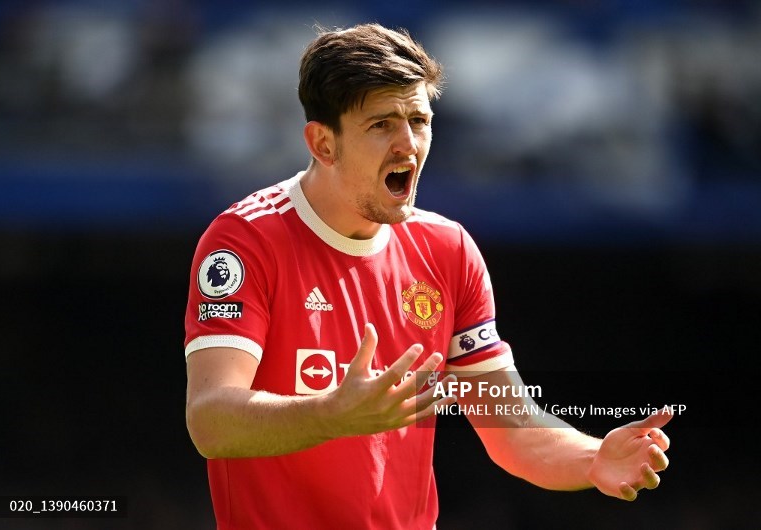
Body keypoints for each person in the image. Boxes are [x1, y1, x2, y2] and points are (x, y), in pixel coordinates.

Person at [183, 23, 672, 530]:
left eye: (419, 120)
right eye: (381, 125)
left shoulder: (447, 250)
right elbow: (211, 419)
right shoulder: (245, 243)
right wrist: (331, 414)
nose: (407, 145)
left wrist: (592, 458)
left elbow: (514, 429)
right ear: (323, 143)